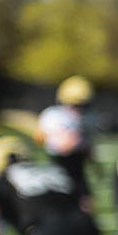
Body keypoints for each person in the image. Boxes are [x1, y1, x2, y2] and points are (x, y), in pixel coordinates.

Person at [36, 76, 95, 209]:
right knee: (61, 206)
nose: (80, 110)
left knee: (86, 205)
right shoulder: (54, 116)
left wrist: (93, 161)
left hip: (78, 168)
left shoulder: (89, 118)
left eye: (83, 105)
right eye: (76, 105)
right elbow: (56, 144)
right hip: (59, 167)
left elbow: (88, 145)